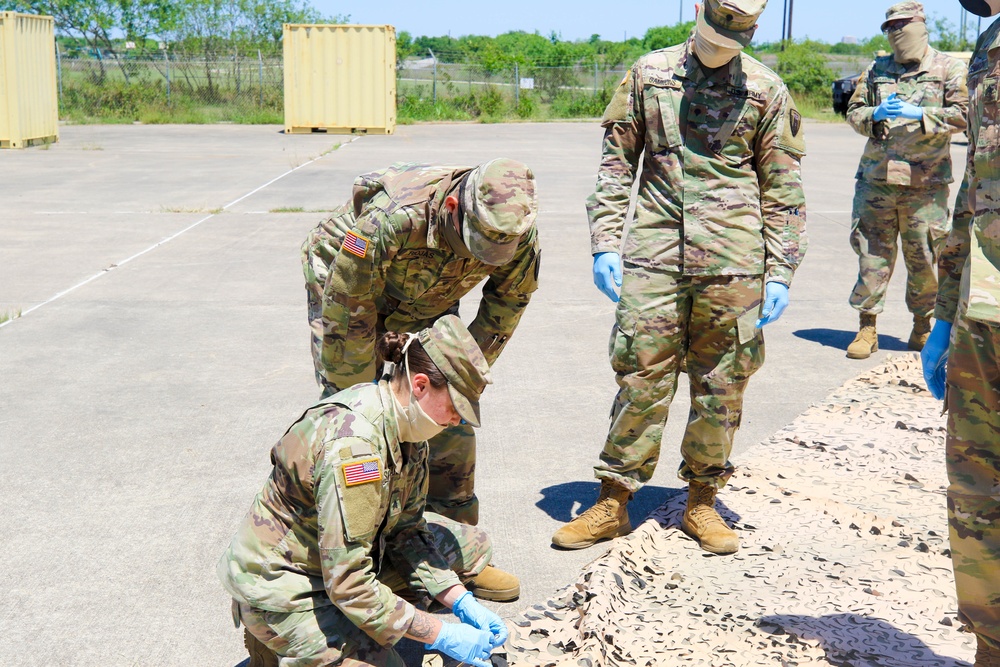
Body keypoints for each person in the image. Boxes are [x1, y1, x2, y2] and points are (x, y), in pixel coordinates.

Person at [551, 0, 807, 555]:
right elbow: (617, 166)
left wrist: (782, 268)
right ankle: (613, 499)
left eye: (733, 40)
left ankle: (703, 502)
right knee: (640, 379)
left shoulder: (766, 90)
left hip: (735, 263)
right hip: (655, 255)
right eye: (714, 34)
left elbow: (783, 189)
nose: (720, 48)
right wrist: (604, 243)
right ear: (698, 10)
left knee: (722, 387)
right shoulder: (649, 75)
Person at [301, 159, 541, 600]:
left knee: (449, 416)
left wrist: (454, 379)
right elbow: (349, 305)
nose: (484, 258)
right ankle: (355, 560)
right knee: (363, 423)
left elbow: (506, 305)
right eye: (477, 245)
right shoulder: (393, 217)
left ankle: (455, 556)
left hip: (431, 297)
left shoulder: (515, 231)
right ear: (452, 206)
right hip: (349, 289)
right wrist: (361, 395)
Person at [219, 315, 509, 667]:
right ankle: (276, 638)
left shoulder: (407, 426)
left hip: (339, 558)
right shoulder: (355, 447)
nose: (457, 421)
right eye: (455, 408)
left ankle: (359, 626)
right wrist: (440, 633)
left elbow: (406, 530)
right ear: (420, 385)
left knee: (471, 546)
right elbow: (348, 582)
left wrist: (460, 600)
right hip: (285, 583)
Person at [922, 1, 1000, 664]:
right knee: (976, 494)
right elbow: (973, 182)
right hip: (984, 308)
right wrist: (945, 311)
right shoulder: (987, 47)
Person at [844, 1, 969, 360]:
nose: (896, 31)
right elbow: (854, 112)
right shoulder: (877, 68)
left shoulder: (948, 67)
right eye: (890, 26)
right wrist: (875, 114)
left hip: (925, 186)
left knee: (926, 259)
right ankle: (867, 326)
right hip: (877, 181)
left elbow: (964, 115)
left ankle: (922, 325)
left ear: (921, 24)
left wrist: (924, 114)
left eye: (903, 24)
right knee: (872, 256)